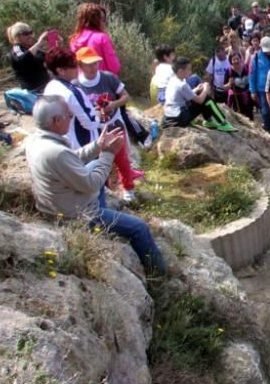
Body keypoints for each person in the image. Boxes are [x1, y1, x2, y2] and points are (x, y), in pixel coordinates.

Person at [26, 96, 166, 275]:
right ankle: (159, 273)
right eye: (69, 116)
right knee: (139, 228)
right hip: (75, 215)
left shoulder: (36, 141)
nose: (71, 118)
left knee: (93, 166)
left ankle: (106, 216)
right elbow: (91, 184)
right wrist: (108, 154)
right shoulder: (56, 152)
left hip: (59, 201)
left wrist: (98, 146)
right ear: (56, 120)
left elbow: (72, 159)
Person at [76, 47, 143, 203]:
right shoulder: (76, 84)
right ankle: (101, 191)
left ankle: (128, 189)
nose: (93, 67)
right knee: (96, 160)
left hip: (113, 124)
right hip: (93, 129)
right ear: (80, 65)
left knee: (121, 159)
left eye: (95, 63)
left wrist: (113, 105)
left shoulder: (108, 78)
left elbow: (126, 96)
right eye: (88, 64)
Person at [44, 47, 102, 149]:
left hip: (61, 143)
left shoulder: (49, 87)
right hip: (82, 146)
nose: (77, 68)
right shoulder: (72, 92)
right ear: (60, 70)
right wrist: (98, 114)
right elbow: (90, 123)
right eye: (73, 65)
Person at [163, 57, 235, 131]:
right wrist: (206, 89)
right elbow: (200, 100)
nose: (191, 72)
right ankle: (223, 123)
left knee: (201, 95)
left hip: (169, 118)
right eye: (189, 69)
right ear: (181, 71)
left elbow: (184, 94)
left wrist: (197, 89)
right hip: (179, 118)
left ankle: (209, 121)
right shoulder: (182, 85)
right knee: (207, 100)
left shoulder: (173, 80)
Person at [69, 3, 121, 75]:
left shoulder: (74, 39)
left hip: (81, 82)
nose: (104, 23)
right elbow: (114, 67)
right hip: (101, 82)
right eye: (102, 19)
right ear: (95, 21)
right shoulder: (102, 38)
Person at [6, 22, 51, 93]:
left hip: (46, 87)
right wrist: (39, 43)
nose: (30, 36)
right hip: (33, 91)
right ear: (17, 36)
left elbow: (50, 58)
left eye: (30, 32)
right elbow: (23, 59)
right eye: (26, 33)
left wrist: (56, 45)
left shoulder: (32, 49)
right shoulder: (16, 49)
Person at [249, 36, 270, 134]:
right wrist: (253, 90)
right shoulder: (255, 58)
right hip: (262, 89)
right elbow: (252, 74)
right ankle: (269, 131)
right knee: (265, 111)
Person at [226, 50, 253, 119]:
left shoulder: (246, 68)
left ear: (241, 59)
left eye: (237, 59)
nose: (236, 61)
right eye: (234, 59)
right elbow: (224, 87)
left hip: (247, 97)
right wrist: (229, 84)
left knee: (250, 117)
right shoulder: (228, 71)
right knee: (240, 118)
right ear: (230, 61)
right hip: (236, 99)